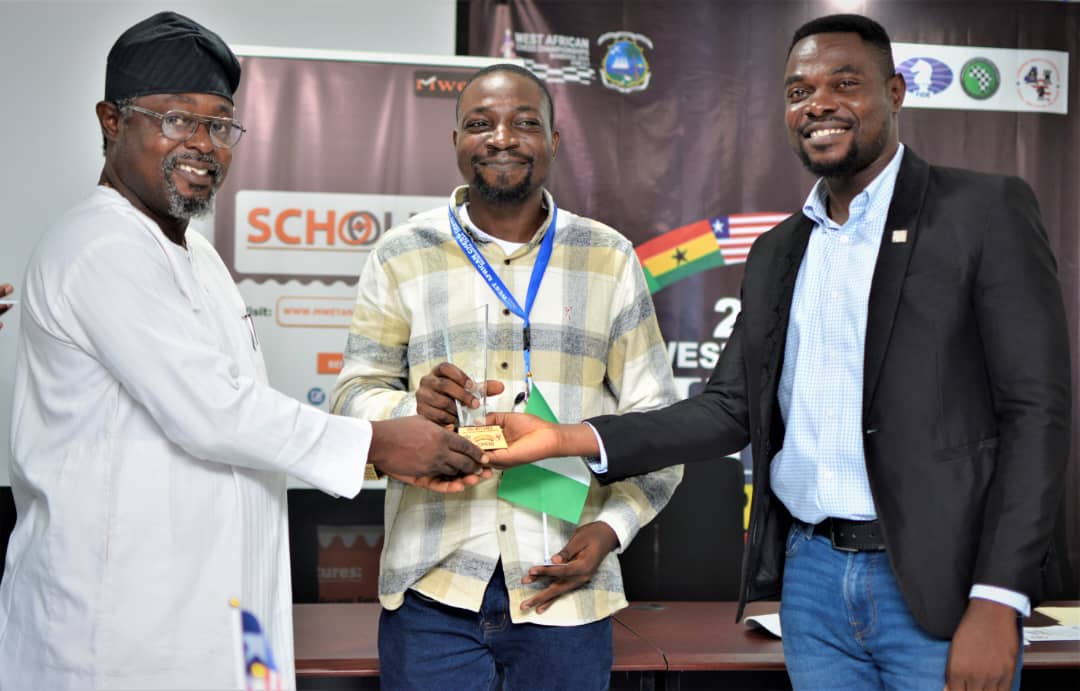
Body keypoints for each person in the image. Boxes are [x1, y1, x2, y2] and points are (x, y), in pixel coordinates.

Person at [486, 14, 1070, 691]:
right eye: (798, 91)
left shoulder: (982, 211)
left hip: (943, 586)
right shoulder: (778, 250)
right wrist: (566, 437)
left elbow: (1036, 414)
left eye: (843, 84)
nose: (818, 104)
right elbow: (728, 409)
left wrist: (999, 595)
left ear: (895, 93)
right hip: (813, 583)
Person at [0, 13, 486, 690]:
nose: (202, 145)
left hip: (216, 610)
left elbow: (241, 412)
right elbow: (213, 413)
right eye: (177, 120)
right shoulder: (98, 246)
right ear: (112, 122)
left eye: (220, 125)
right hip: (115, 629)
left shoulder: (196, 256)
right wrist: (379, 442)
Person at [331, 63, 683, 690]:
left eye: (524, 123)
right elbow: (351, 397)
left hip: (564, 587)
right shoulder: (401, 253)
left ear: (554, 140)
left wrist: (610, 530)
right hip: (432, 591)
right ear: (456, 141)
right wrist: (410, 411)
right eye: (480, 124)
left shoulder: (608, 257)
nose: (501, 138)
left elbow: (657, 424)